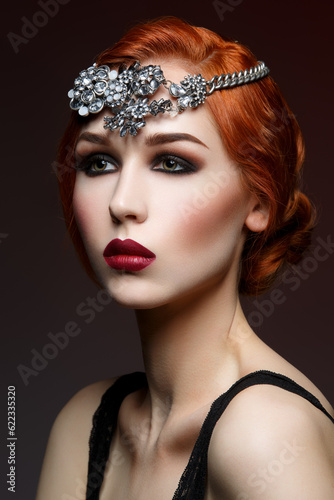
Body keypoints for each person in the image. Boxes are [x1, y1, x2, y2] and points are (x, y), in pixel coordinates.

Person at [36, 16, 334, 500]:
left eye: (172, 162)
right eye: (99, 162)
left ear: (259, 200)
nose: (121, 202)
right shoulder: (83, 423)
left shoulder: (269, 437)